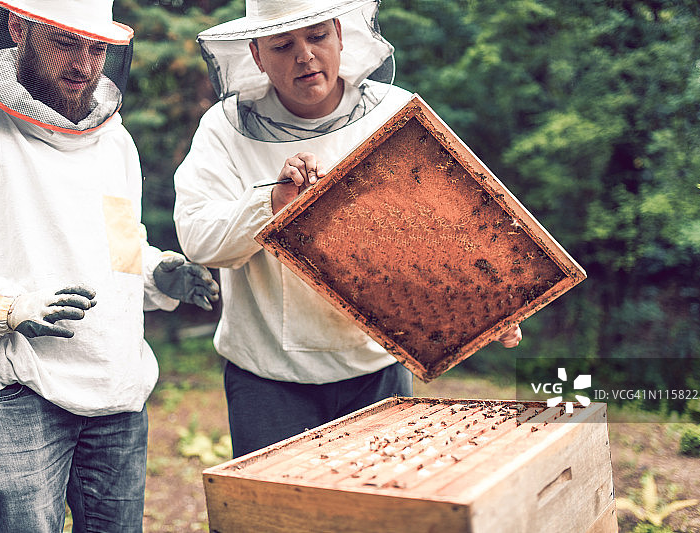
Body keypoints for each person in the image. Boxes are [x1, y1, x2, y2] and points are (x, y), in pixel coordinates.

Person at [173, 0, 522, 458]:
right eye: (282, 45)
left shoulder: (395, 113)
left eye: (317, 36)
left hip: (378, 371)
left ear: (339, 34)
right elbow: (198, 238)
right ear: (257, 55)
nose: (305, 56)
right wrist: (272, 202)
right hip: (268, 380)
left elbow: (445, 235)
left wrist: (489, 303)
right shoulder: (224, 129)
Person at [0, 1, 219, 531]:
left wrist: (156, 273)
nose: (85, 64)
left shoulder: (112, 138)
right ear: (18, 28)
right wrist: (11, 308)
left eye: (97, 48)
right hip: (19, 391)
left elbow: (114, 250)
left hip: (116, 389)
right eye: (66, 42)